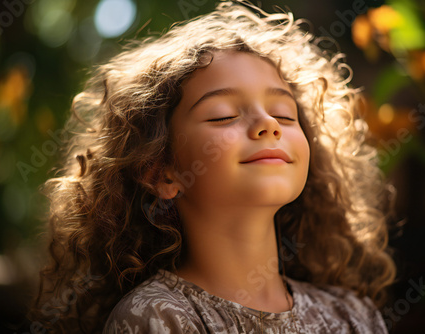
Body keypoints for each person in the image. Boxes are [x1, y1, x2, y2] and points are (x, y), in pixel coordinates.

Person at [29, 1, 396, 333]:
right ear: (161, 172)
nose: (268, 124)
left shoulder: (354, 315)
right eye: (223, 116)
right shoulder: (158, 318)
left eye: (285, 114)